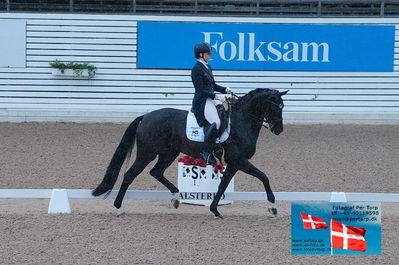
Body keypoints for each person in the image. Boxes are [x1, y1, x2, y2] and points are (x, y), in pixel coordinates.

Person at [191, 41, 233, 165]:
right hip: (202, 101)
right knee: (216, 122)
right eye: (208, 53)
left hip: (209, 99)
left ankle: (217, 144)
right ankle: (206, 151)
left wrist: (225, 89)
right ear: (200, 54)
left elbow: (212, 85)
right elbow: (200, 90)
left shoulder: (208, 67)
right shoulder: (196, 69)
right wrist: (216, 96)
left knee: (224, 114)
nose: (210, 55)